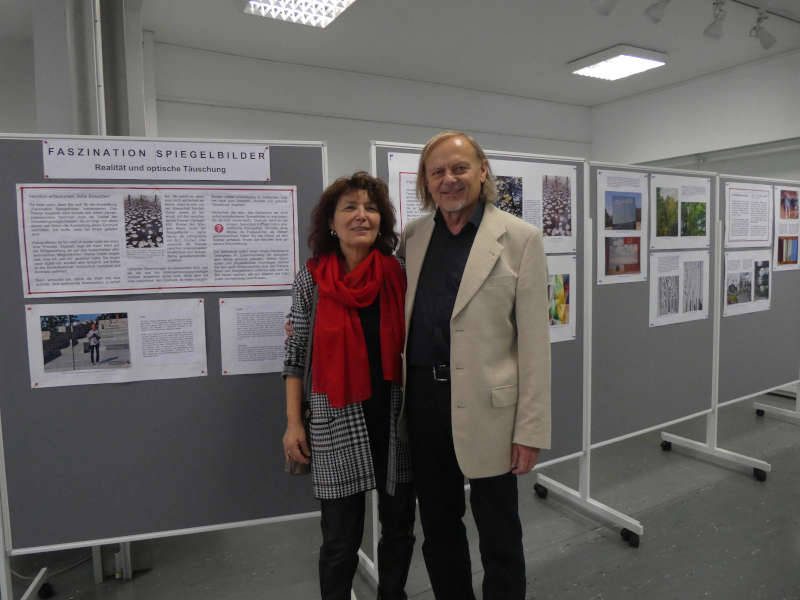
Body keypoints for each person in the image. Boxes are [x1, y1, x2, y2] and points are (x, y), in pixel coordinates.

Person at [398, 130, 551, 600]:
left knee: (499, 531)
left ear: (482, 171)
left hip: (492, 410)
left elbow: (535, 344)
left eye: (459, 168)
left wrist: (531, 428)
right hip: (424, 404)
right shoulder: (414, 237)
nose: (449, 180)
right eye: (437, 171)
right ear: (426, 181)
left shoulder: (520, 239)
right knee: (440, 529)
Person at [282, 172, 415, 600]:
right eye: (350, 208)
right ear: (332, 223)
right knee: (340, 540)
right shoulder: (313, 279)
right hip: (335, 418)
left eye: (371, 208)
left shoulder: (399, 273)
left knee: (399, 528)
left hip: (395, 420)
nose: (362, 216)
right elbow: (295, 354)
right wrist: (292, 424)